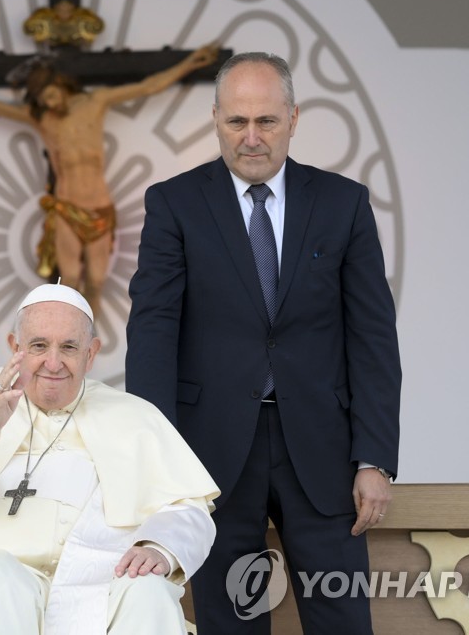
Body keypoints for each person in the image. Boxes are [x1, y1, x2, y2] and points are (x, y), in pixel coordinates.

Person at [125, 52, 402, 633]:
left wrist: (374, 457)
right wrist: (160, 466)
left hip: (324, 452)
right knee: (232, 623)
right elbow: (153, 336)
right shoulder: (173, 204)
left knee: (343, 621)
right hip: (212, 456)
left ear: (294, 118)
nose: (251, 138)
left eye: (267, 122)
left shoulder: (343, 203)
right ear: (216, 120)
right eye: (236, 122)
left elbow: (372, 337)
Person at [0, 282, 220, 634]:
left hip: (103, 586)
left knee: (149, 591)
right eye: (39, 346)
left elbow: (188, 508)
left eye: (69, 347)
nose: (53, 363)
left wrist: (160, 547)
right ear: (14, 347)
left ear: (91, 353)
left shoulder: (133, 415)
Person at [0, 44, 219, 319]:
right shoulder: (43, 119)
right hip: (66, 208)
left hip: (99, 209)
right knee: (69, 280)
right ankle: (68, 339)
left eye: (52, 95)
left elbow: (147, 86)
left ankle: (86, 352)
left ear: (60, 85)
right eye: (44, 100)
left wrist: (190, 63)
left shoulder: (95, 103)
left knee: (96, 283)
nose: (51, 104)